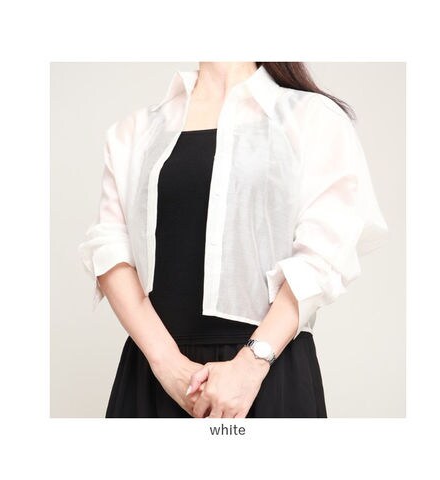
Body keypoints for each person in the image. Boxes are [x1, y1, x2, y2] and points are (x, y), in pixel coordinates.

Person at [78, 62, 388, 418]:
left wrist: (252, 364)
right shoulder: (135, 131)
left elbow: (323, 254)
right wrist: (168, 365)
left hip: (268, 371)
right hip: (154, 372)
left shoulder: (312, 118)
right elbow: (110, 249)